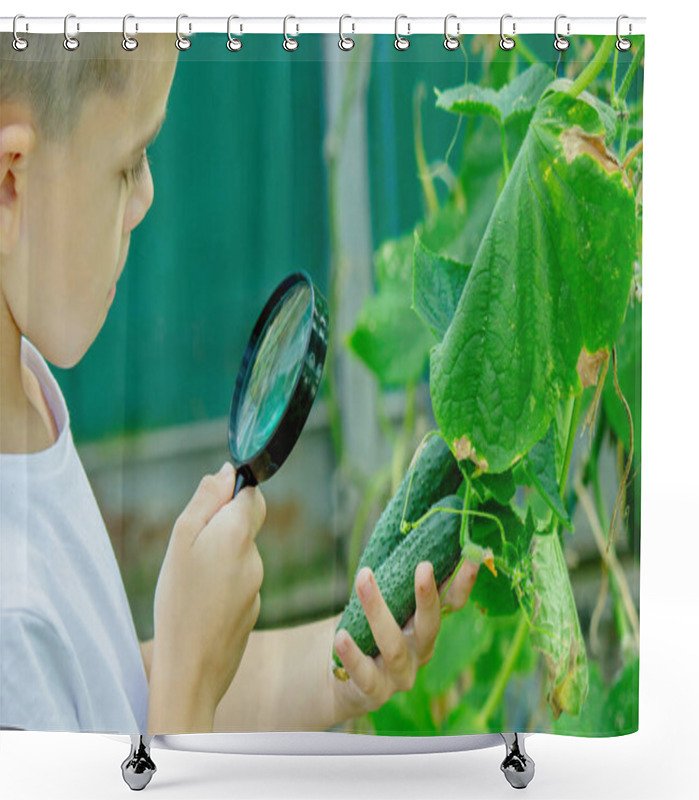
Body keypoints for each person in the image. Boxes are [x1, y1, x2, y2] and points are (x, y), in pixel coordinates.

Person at [0, 33, 479, 735]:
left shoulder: (26, 397)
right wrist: (190, 680)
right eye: (129, 163)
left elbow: (107, 705)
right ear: (11, 180)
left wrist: (337, 666)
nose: (147, 196)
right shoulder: (12, 614)